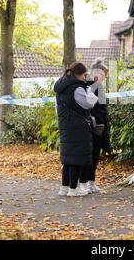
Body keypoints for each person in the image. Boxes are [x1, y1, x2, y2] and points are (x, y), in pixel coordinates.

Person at [54, 62, 98, 197]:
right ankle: (74, 189)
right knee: (77, 159)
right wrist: (89, 89)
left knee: (68, 159)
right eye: (85, 75)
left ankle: (64, 188)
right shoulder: (77, 88)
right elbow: (89, 103)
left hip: (66, 125)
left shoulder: (61, 87)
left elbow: (57, 109)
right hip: (78, 126)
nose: (85, 78)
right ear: (79, 74)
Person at [84, 59, 112, 193]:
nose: (104, 78)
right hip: (93, 127)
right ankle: (87, 183)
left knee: (95, 155)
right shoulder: (89, 87)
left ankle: (91, 182)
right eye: (103, 75)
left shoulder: (97, 87)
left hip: (99, 127)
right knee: (91, 155)